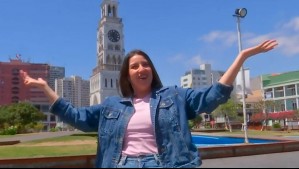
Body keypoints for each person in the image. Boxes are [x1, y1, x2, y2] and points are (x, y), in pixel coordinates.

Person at [20, 39, 278, 168]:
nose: (141, 69)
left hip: (163, 163)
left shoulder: (174, 96)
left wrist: (241, 57)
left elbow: (214, 95)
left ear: (152, 70)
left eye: (146, 64)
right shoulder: (112, 105)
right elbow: (76, 116)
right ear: (127, 74)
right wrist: (45, 88)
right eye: (134, 66)